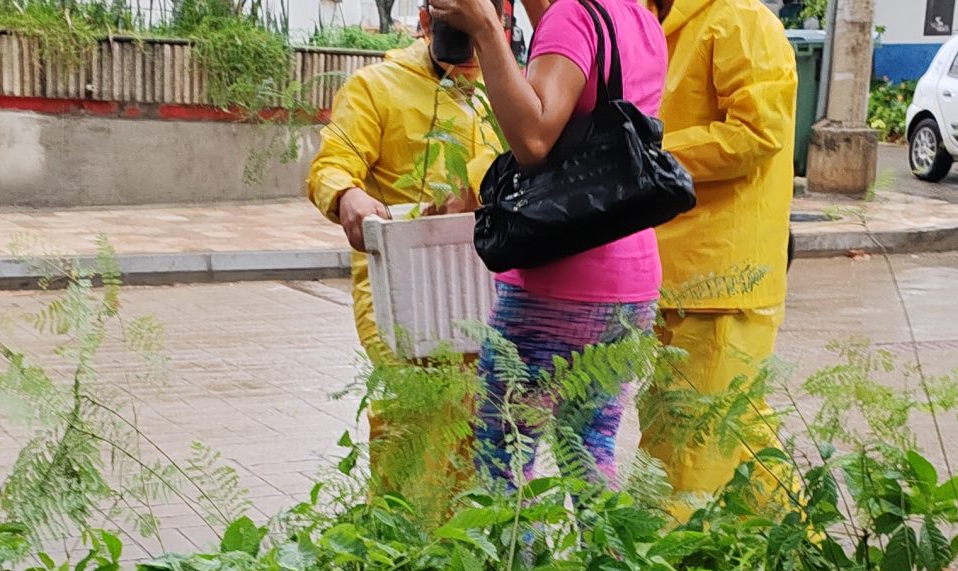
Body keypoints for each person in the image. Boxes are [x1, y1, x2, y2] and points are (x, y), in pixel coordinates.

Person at [428, 0, 670, 486]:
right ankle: (611, 562)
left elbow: (534, 139)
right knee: (591, 452)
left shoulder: (572, 17)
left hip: (561, 278)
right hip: (631, 275)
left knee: (506, 460)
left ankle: (520, 563)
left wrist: (486, 30)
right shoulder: (638, 16)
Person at [642, 0, 795, 506]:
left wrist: (648, 153)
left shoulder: (741, 19)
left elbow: (757, 132)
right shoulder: (653, 23)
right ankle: (792, 559)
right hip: (672, 271)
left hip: (723, 280)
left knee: (689, 453)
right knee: (737, 438)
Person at [306, 13, 503, 364]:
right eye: (460, 34)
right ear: (428, 23)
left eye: (482, 31)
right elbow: (331, 165)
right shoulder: (374, 87)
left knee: (488, 411)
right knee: (408, 412)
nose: (471, 55)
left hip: (489, 289)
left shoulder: (506, 89)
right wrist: (347, 195)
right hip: (403, 289)